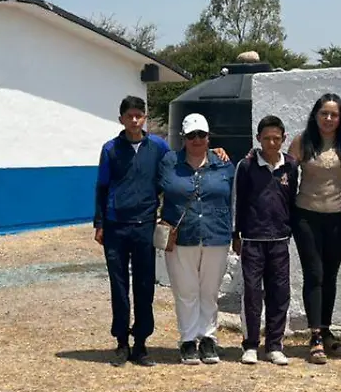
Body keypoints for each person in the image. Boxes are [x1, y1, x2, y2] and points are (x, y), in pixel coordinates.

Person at [93, 96, 229, 367]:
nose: (134, 120)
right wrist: (100, 223)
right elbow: (102, 186)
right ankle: (121, 342)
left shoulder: (157, 147)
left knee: (145, 286)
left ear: (144, 118)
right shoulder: (110, 149)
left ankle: (141, 343)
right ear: (121, 119)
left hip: (145, 225)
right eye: (129, 115)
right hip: (116, 225)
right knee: (119, 287)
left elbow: (180, 165)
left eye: (139, 115)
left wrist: (217, 152)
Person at [289, 94, 341, 364]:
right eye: (324, 114)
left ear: (340, 118)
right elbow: (283, 172)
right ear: (315, 115)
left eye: (334, 114)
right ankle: (315, 336)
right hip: (306, 215)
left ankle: (326, 329)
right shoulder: (301, 142)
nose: (329, 119)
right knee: (314, 273)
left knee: (330, 275)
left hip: (338, 217)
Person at [159, 113, 235, 365]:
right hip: (182, 235)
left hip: (216, 234)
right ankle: (189, 339)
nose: (197, 140)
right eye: (191, 135)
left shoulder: (224, 164)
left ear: (208, 136)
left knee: (209, 290)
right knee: (185, 290)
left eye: (201, 134)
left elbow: (235, 198)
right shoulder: (169, 163)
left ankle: (208, 337)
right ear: (183, 137)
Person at [232, 115, 299, 366]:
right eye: (267, 138)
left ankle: (274, 345)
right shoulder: (247, 166)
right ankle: (250, 345)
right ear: (258, 138)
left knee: (279, 293)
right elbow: (237, 200)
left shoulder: (290, 166)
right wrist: (235, 235)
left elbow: (292, 200)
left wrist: (290, 229)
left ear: (283, 139)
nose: (272, 142)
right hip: (252, 238)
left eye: (277, 138)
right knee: (251, 292)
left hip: (280, 239)